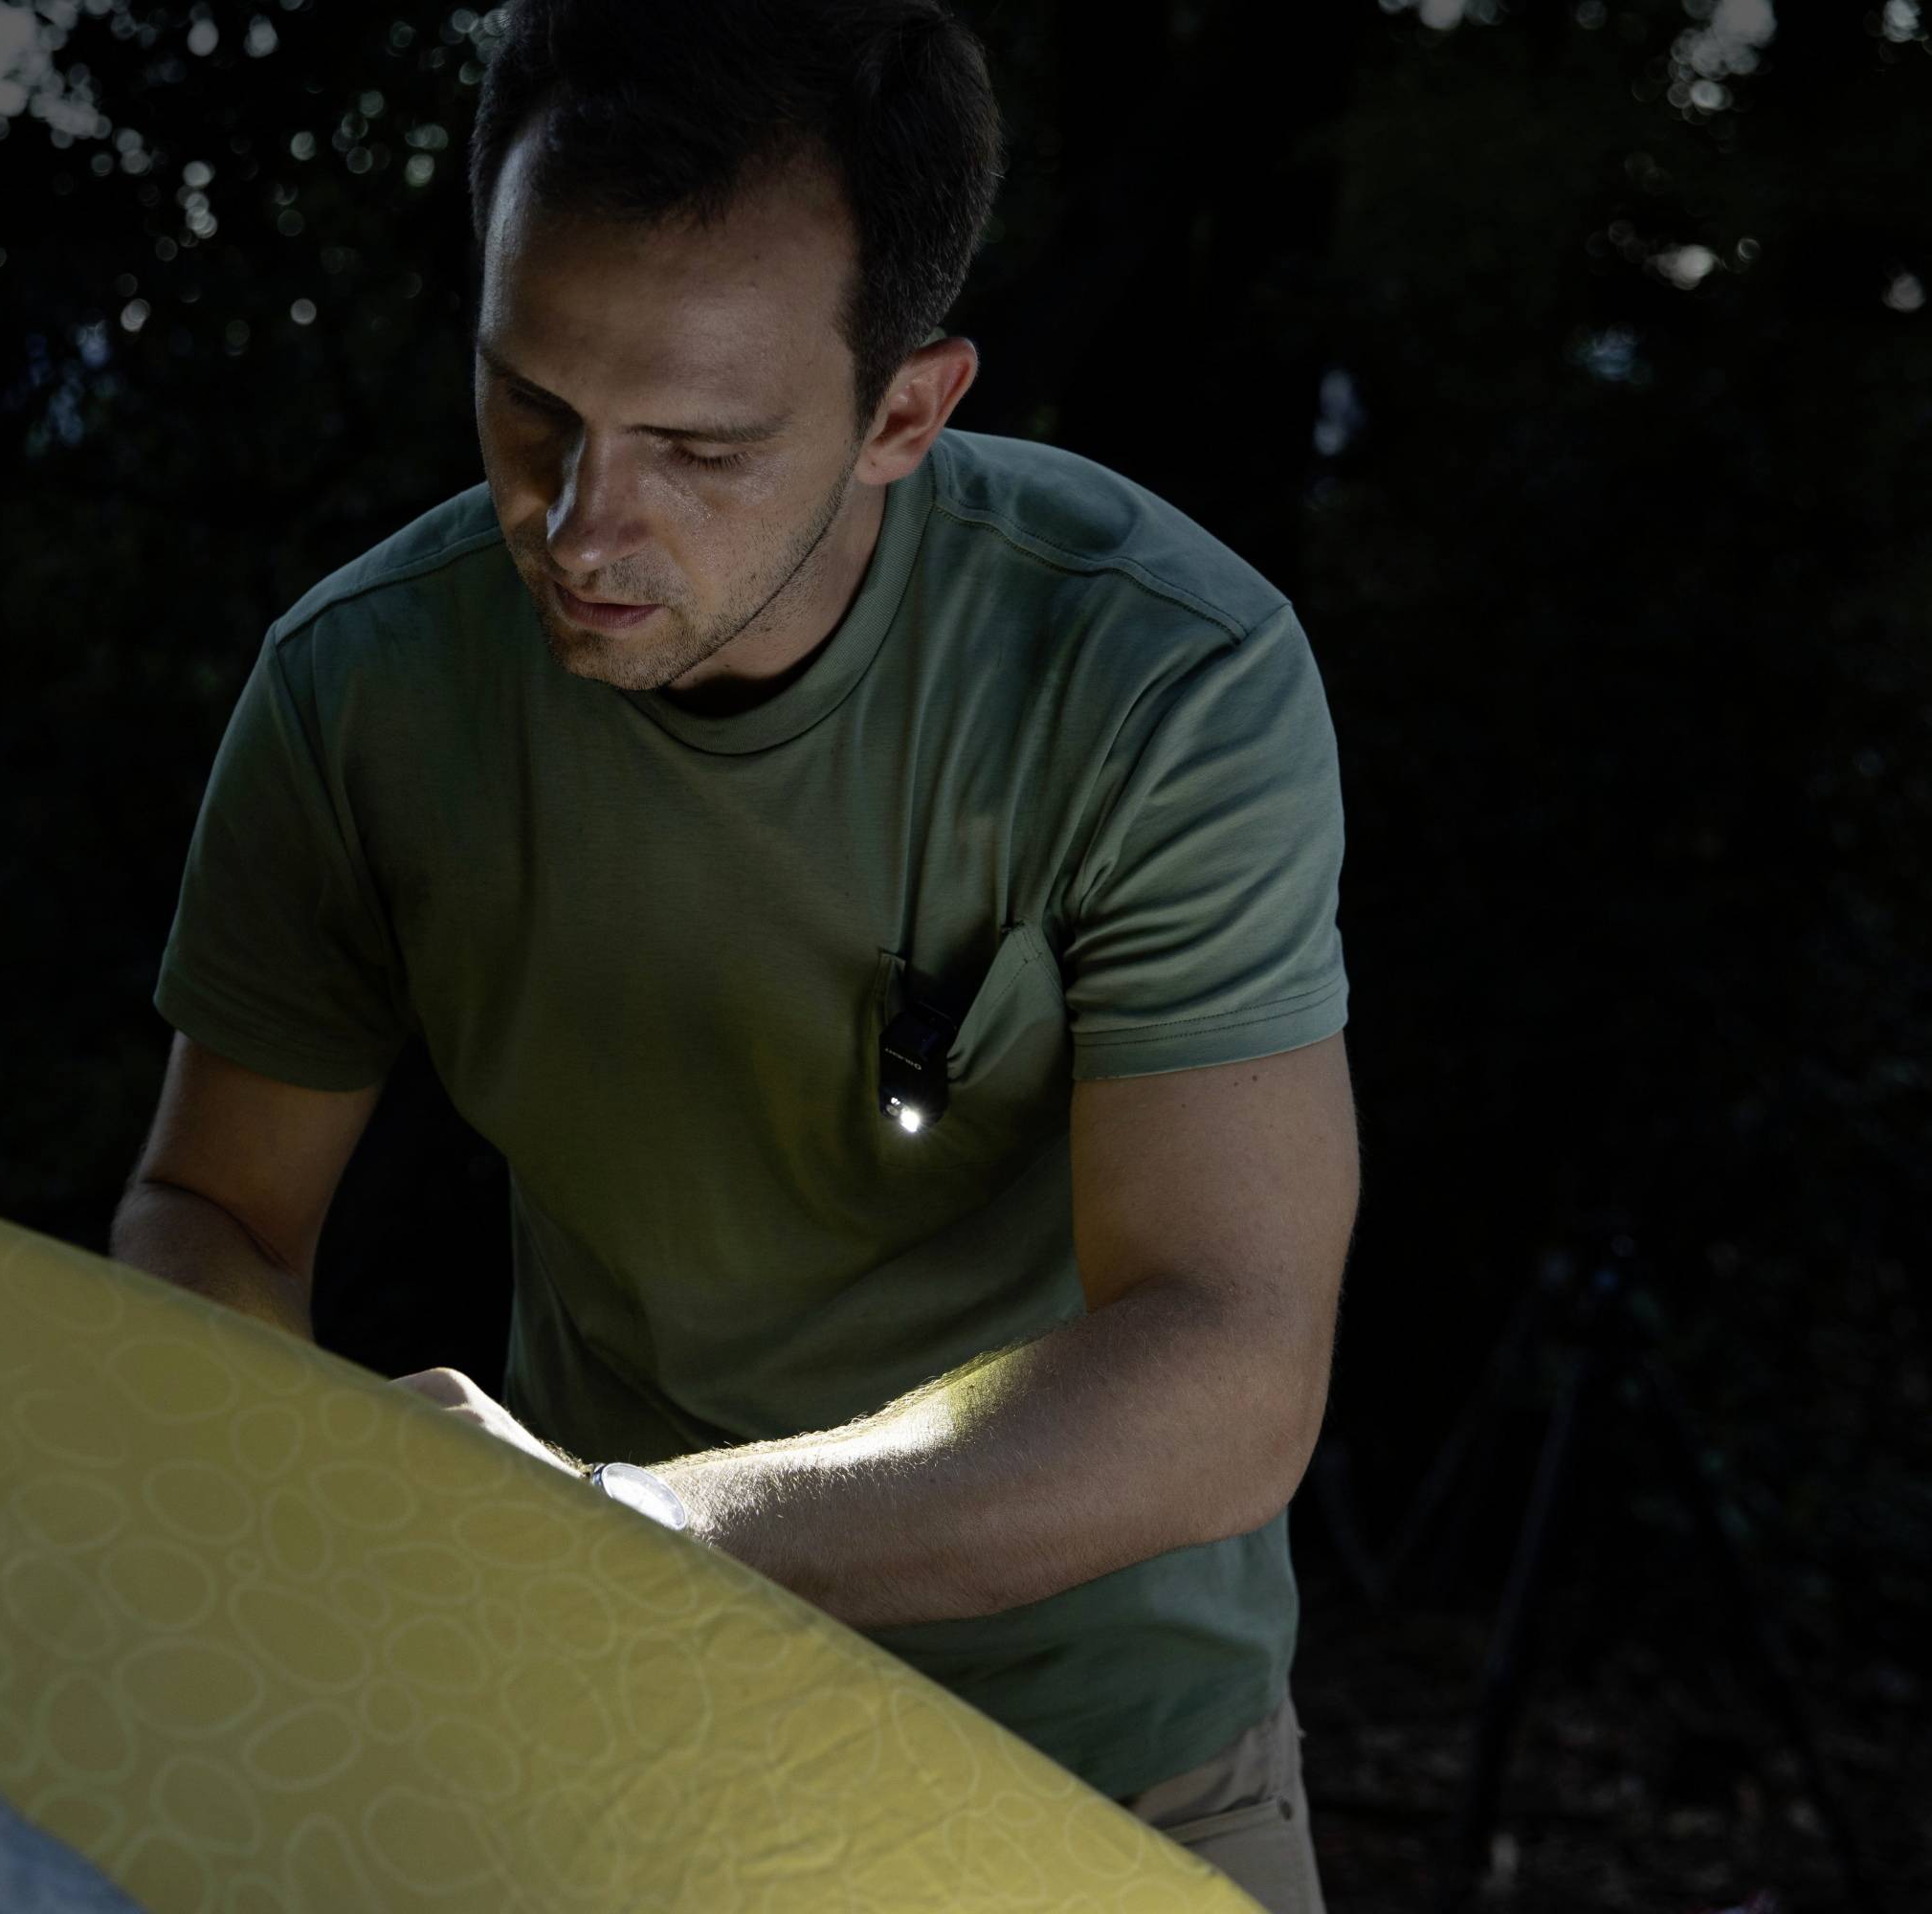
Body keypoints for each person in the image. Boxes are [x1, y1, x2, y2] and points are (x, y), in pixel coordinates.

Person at [108, 4, 1355, 1908]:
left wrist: (646, 1522)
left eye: (699, 445)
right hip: (603, 1727)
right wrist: (332, 1519)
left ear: (904, 416)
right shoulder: (361, 693)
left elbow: (1230, 1361)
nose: (581, 529)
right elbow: (215, 1209)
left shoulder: (1161, 678)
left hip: (1107, 1749)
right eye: (532, 404)